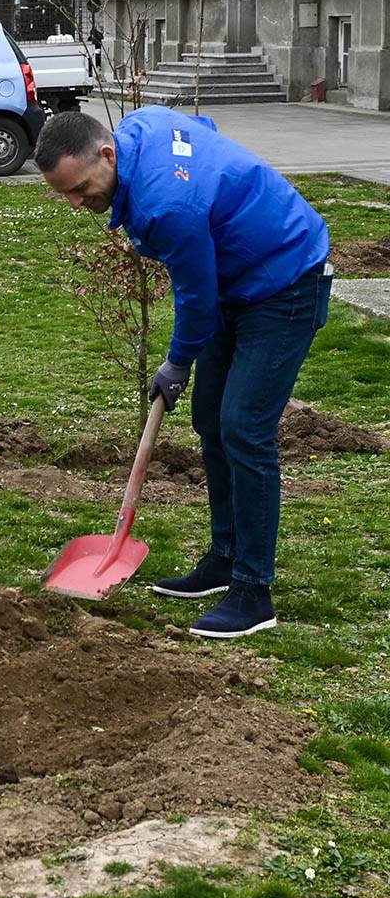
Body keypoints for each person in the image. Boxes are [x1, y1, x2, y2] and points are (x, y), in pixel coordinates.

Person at [34, 107, 332, 638]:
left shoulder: (166, 206)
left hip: (286, 281)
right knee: (211, 420)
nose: (75, 202)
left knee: (244, 426)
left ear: (107, 154)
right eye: (64, 194)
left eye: (78, 188)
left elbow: (195, 294)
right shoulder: (142, 126)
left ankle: (253, 590)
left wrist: (176, 362)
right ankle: (224, 558)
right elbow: (203, 128)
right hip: (236, 284)